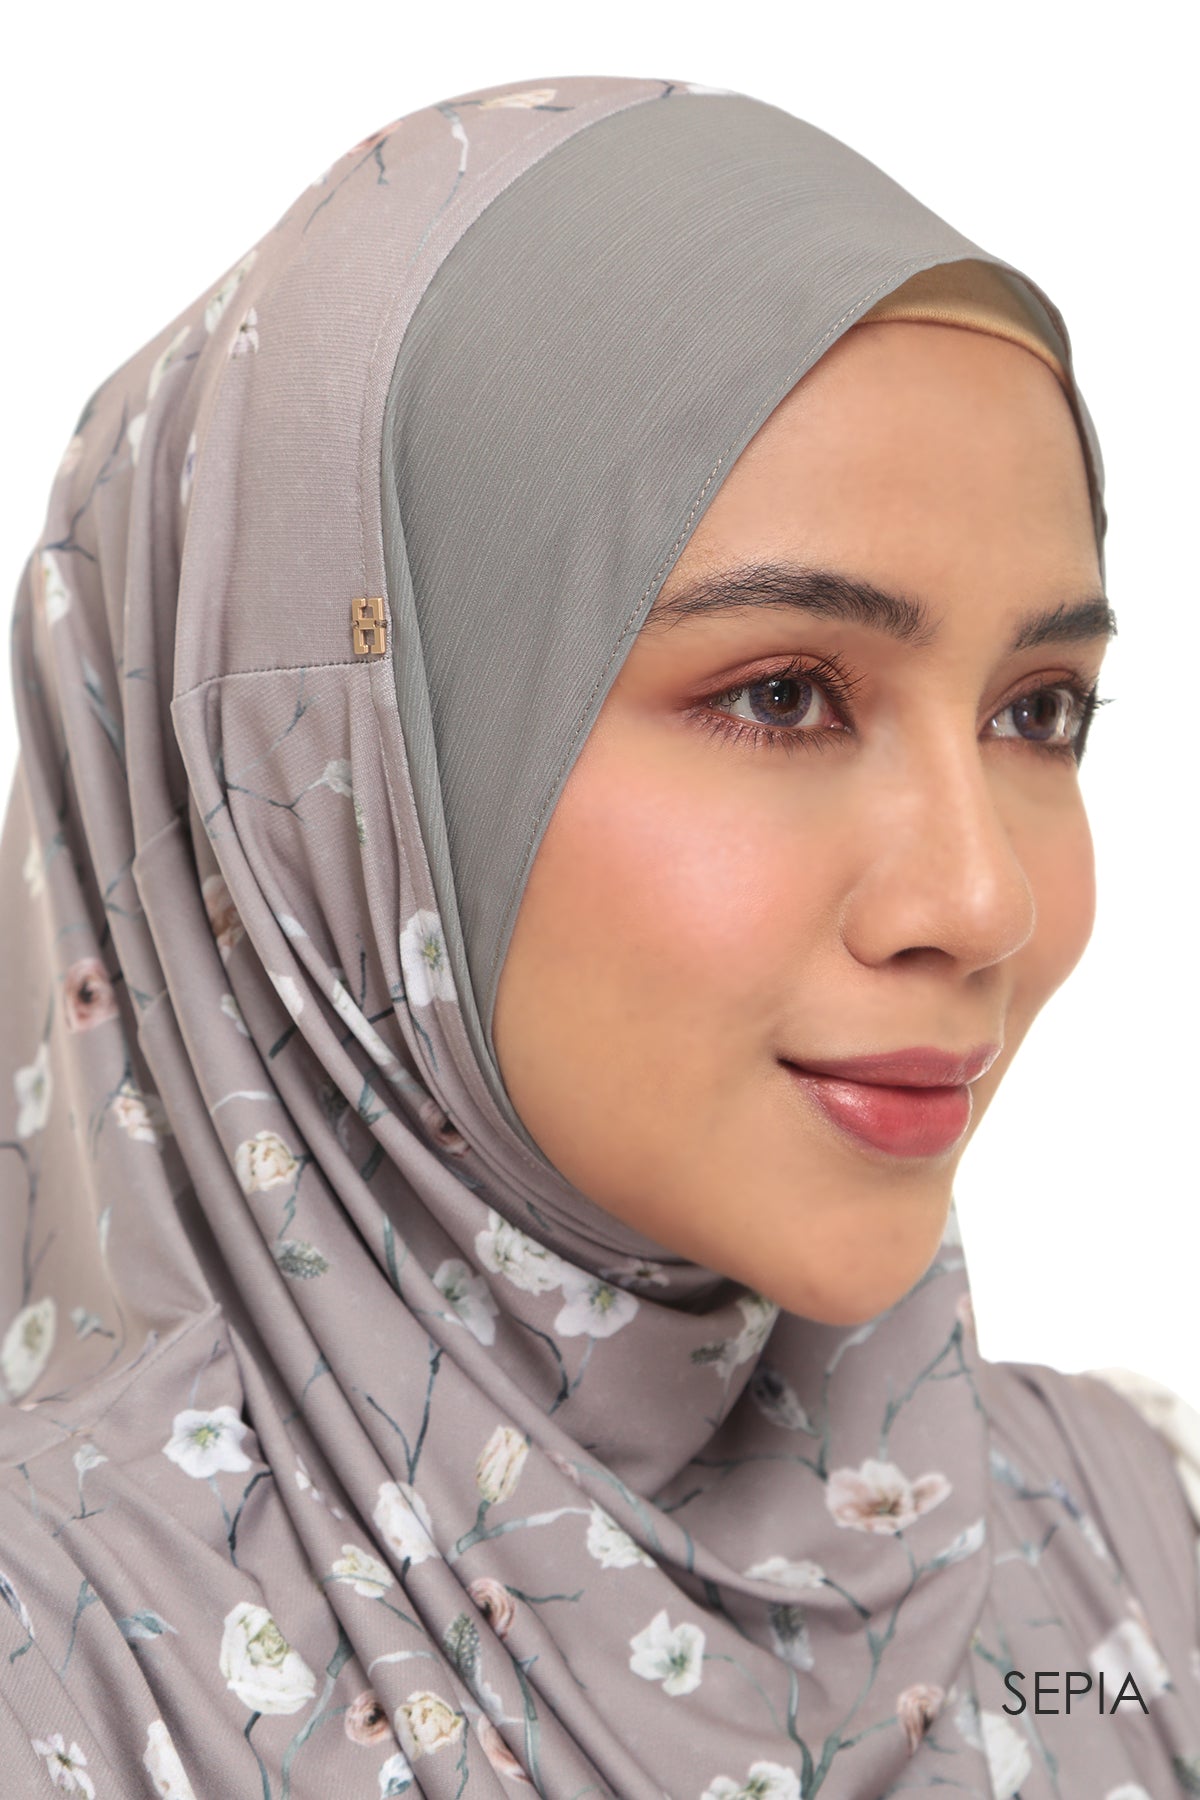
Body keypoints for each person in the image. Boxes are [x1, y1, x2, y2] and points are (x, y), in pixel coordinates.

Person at [0, 71, 1197, 1800]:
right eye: (782, 694)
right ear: (335, 771)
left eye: (1039, 712)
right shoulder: (65, 1678)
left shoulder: (1124, 1553)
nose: (982, 902)